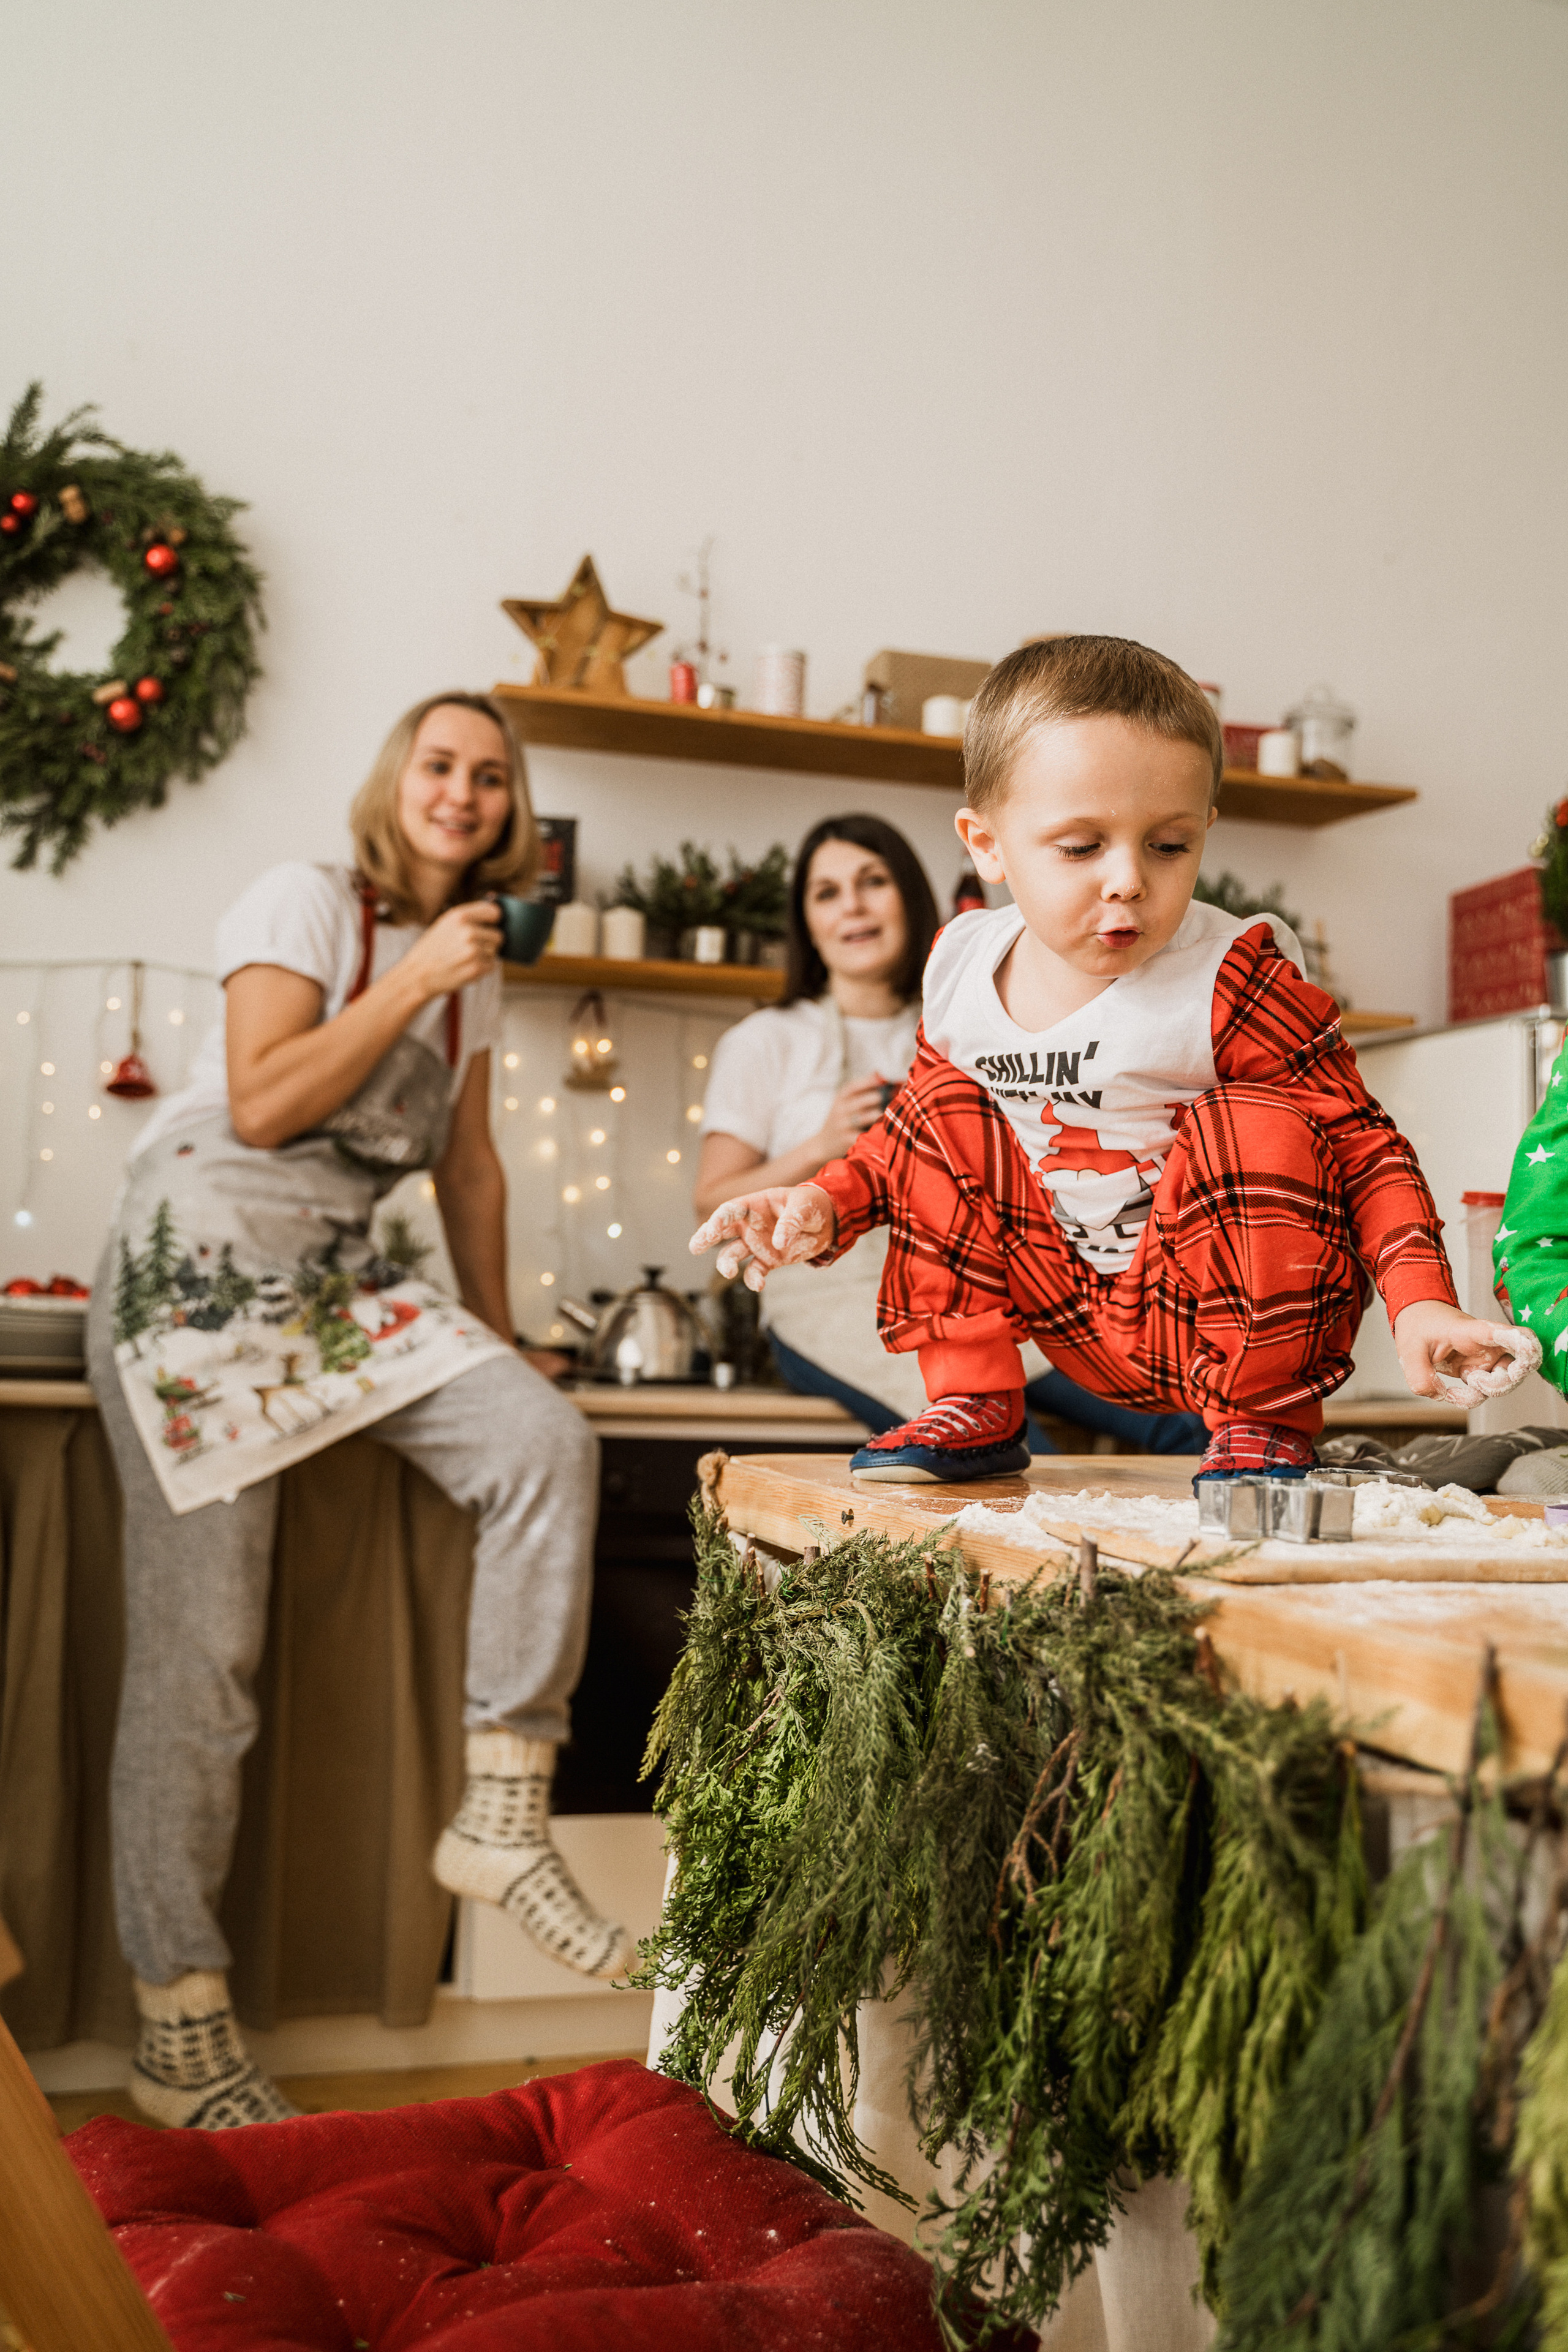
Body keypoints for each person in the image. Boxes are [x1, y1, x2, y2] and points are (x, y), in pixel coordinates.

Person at [86, 689, 627, 2130]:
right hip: (197, 1276)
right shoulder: (309, 900)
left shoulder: (484, 971)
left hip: (332, 1281)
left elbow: (472, 1172)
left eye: (491, 776)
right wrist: (406, 980)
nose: (463, 791)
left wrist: (502, 1347)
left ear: (514, 812)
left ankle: (501, 1809)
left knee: (543, 1442)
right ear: (399, 778)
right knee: (204, 1668)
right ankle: (177, 2021)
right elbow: (261, 1106)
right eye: (440, 763)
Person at [691, 636, 1536, 1483]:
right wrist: (826, 1202)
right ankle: (974, 1403)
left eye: (1167, 845)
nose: (1128, 880)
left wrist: (1422, 1301)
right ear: (987, 844)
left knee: (1258, 1118)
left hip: (1205, 1315)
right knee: (940, 1108)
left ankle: (1262, 1422)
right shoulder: (959, 969)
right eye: (1081, 846)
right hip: (1057, 1315)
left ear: (1206, 827)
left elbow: (1364, 1147)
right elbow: (909, 1142)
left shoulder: (1231, 977)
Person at [693, 813, 1200, 1450]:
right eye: (826, 892)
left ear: (909, 895)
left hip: (987, 1287)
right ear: (807, 923)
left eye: (871, 881)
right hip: (829, 1306)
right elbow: (712, 1201)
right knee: (1007, 1445)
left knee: (1190, 1415)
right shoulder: (763, 1041)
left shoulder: (974, 1018)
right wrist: (822, 1147)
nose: (851, 905)